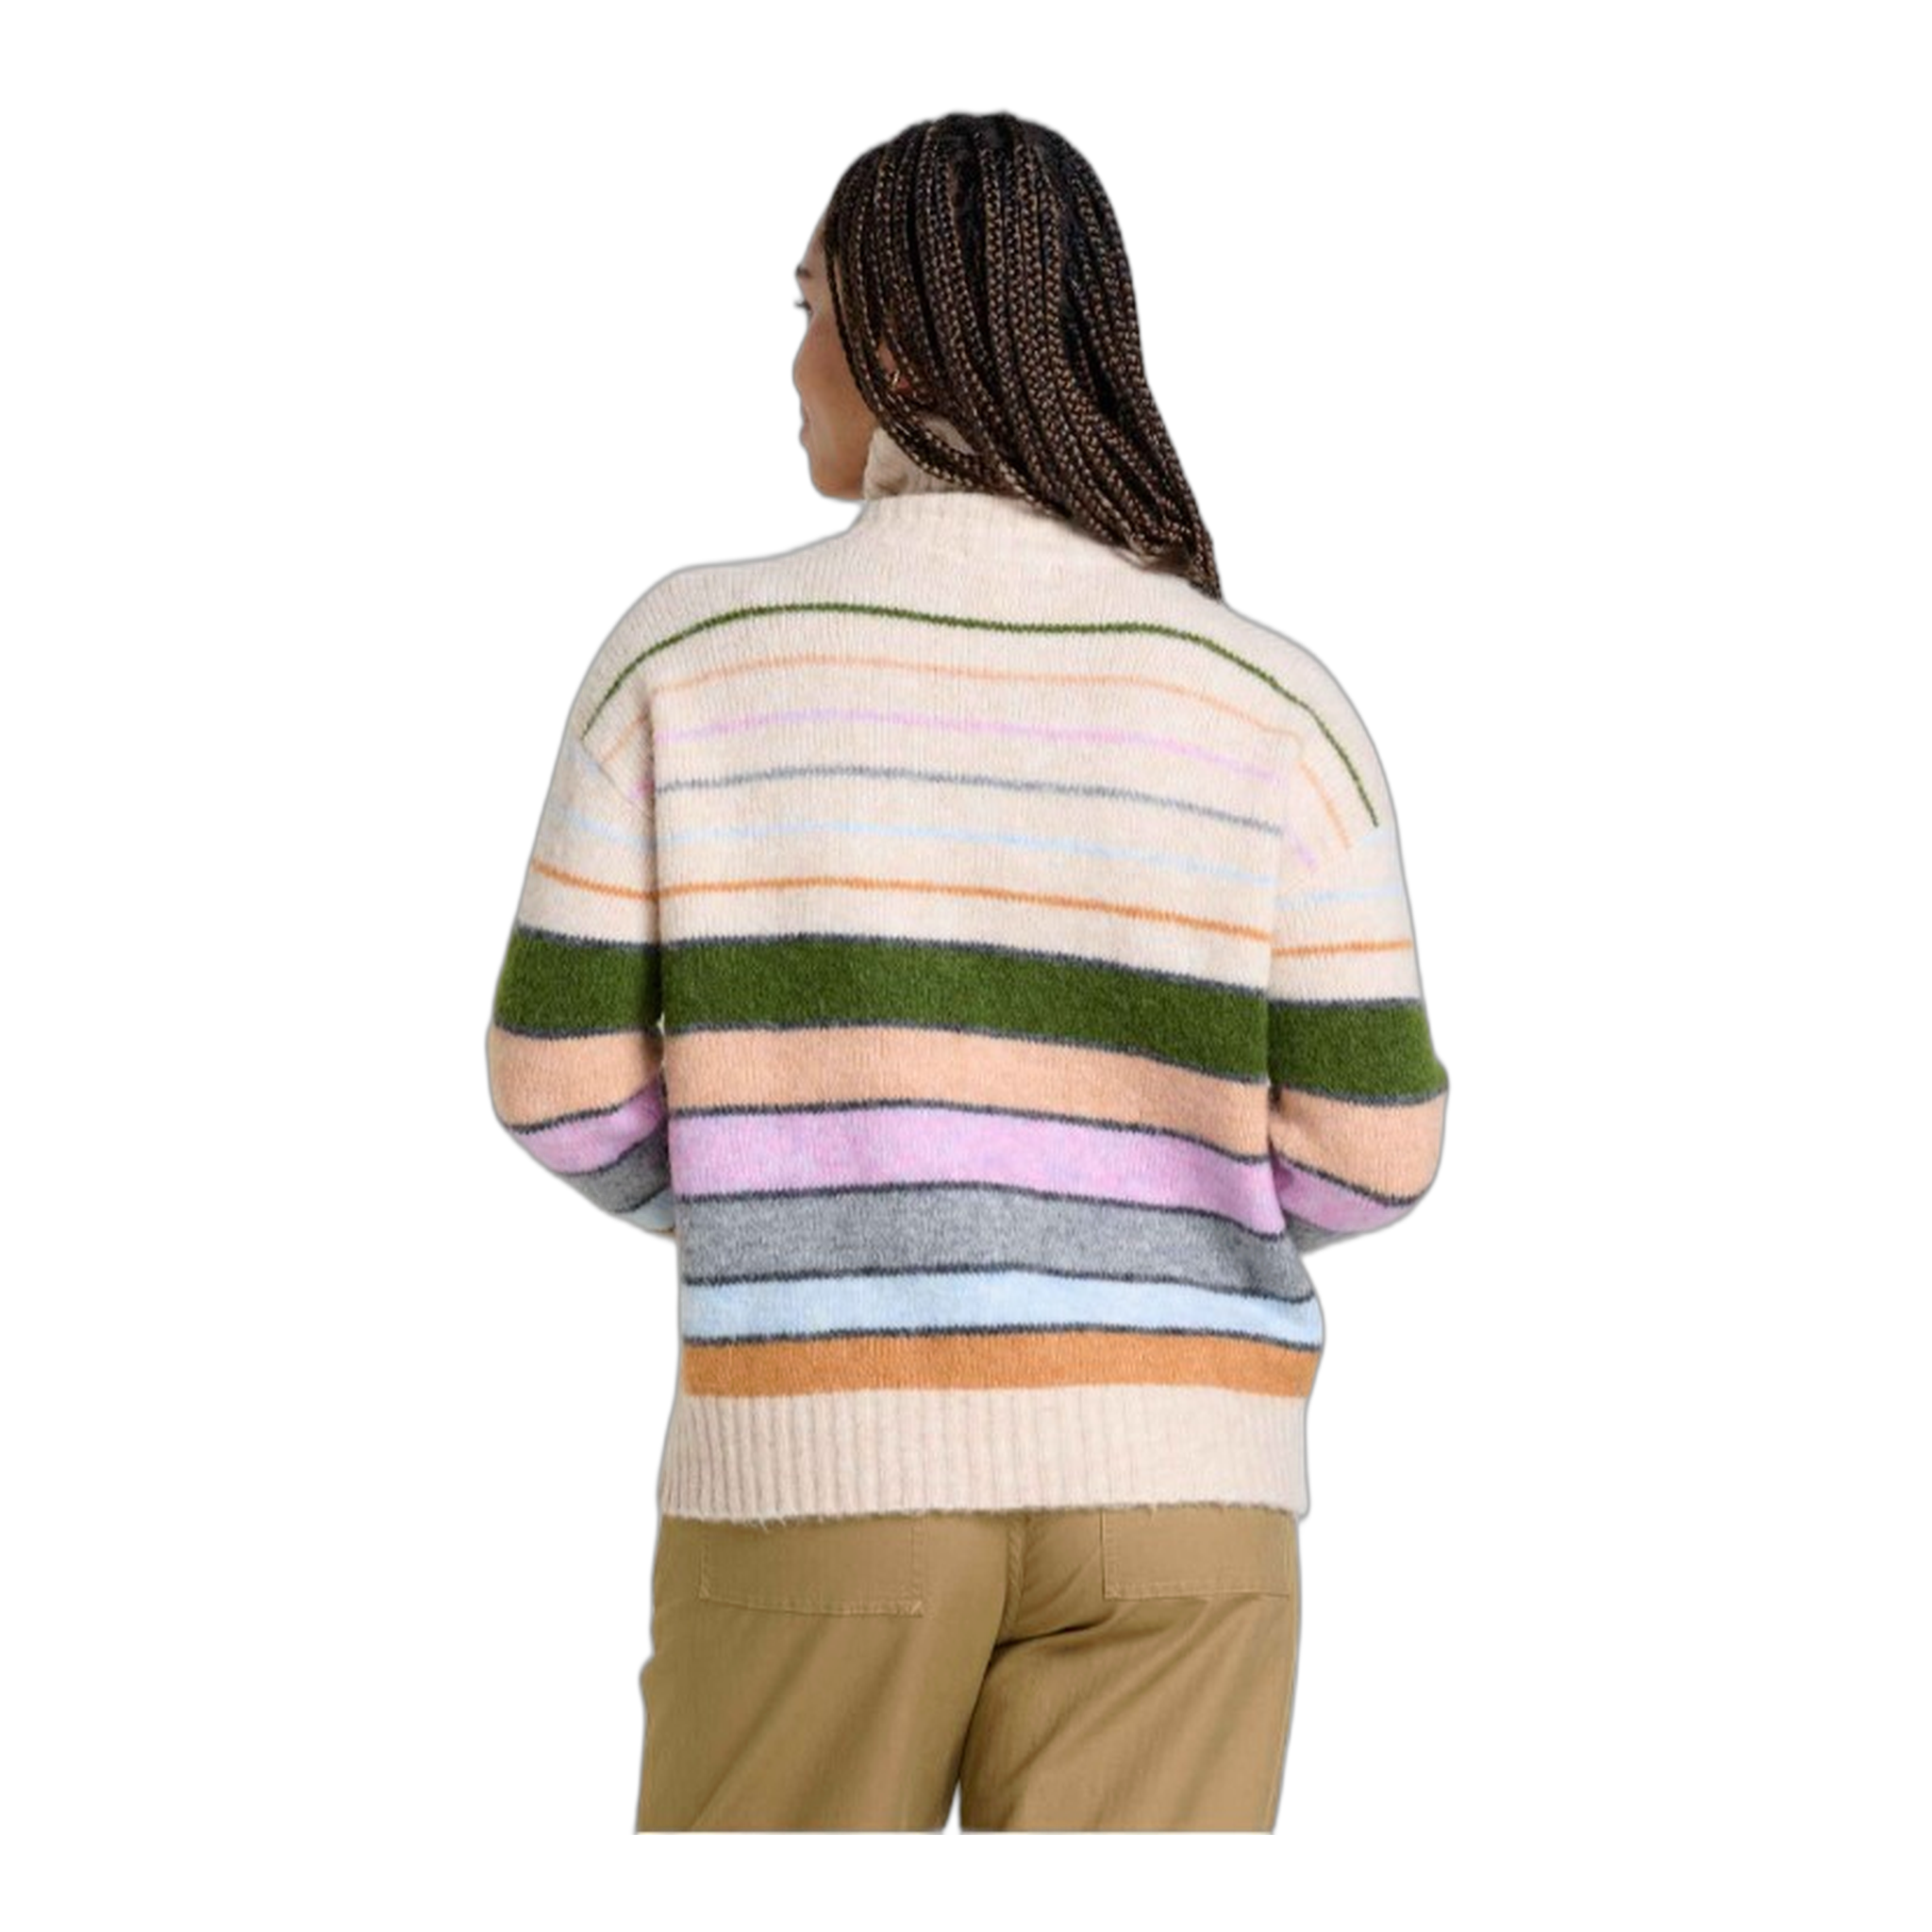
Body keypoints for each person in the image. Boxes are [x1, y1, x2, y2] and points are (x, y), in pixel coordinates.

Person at [483, 108, 1449, 1833]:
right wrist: (1129, 1231)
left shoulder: (689, 656)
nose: (792, 356)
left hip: (813, 1477)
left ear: (907, 343)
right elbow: (1378, 1152)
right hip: (1187, 1500)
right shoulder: (1274, 703)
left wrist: (800, 1195)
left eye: (809, 306)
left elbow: (550, 1084)